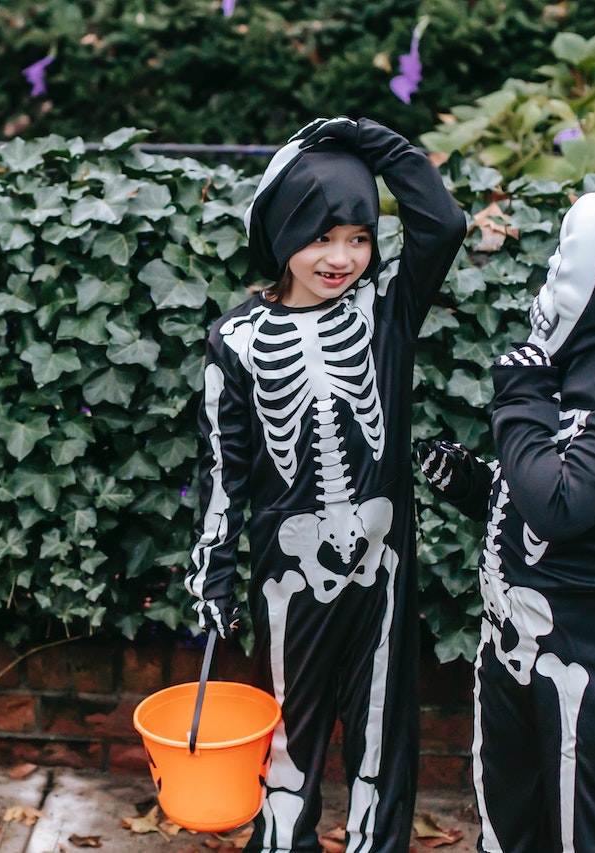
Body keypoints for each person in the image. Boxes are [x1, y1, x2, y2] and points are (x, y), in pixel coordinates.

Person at [184, 116, 465, 853]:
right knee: (290, 729)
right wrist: (210, 575)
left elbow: (443, 222)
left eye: (360, 237)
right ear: (282, 235)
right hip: (289, 568)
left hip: (384, 558)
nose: (341, 257)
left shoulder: (385, 313)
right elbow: (224, 469)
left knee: (380, 727)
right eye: (320, 236)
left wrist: (371, 141)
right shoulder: (236, 341)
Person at [415, 187, 595, 852]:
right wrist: (474, 484)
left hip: (593, 658)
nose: (546, 288)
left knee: (588, 833)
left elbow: (561, 503)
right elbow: (536, 492)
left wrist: (519, 398)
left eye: (561, 272)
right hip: (514, 647)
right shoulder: (576, 383)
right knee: (509, 819)